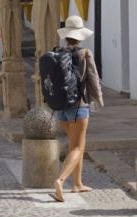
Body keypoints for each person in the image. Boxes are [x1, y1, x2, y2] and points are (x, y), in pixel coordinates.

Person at [49, 15, 104, 203]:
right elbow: (93, 80)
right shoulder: (85, 54)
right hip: (79, 106)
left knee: (76, 146)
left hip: (61, 109)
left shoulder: (57, 53)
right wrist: (99, 101)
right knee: (78, 147)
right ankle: (60, 180)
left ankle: (78, 184)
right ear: (80, 36)